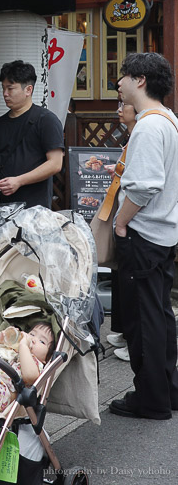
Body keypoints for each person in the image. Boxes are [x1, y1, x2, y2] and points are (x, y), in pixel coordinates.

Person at [110, 52, 178, 420]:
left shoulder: (150, 126)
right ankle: (167, 390)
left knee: (143, 319)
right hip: (163, 234)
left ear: (140, 80)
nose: (118, 83)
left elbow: (146, 186)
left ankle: (151, 400)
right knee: (160, 315)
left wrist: (121, 223)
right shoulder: (168, 120)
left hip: (143, 234)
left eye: (123, 75)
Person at [0, 60, 64, 213]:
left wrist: (19, 181)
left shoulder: (46, 120)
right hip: (0, 208)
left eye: (10, 88)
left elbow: (55, 164)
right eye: (3, 88)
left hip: (33, 208)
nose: (5, 94)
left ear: (28, 90)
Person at [106, 100, 136, 364]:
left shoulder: (143, 134)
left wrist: (121, 223)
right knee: (120, 277)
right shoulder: (131, 136)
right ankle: (124, 332)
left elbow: (141, 184)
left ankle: (133, 340)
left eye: (123, 104)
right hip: (125, 220)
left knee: (132, 282)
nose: (119, 109)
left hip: (133, 223)